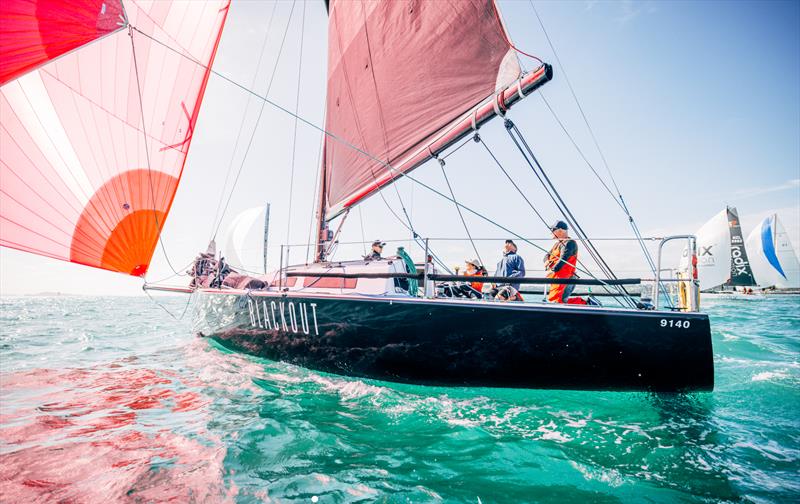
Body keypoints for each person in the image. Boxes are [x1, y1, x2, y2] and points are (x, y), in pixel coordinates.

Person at [544, 220, 588, 304]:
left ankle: (585, 303)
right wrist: (547, 263)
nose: (551, 233)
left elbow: (563, 260)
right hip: (557, 278)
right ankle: (583, 303)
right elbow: (546, 256)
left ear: (560, 231)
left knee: (558, 301)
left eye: (552, 230)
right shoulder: (557, 244)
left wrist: (551, 269)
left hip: (566, 277)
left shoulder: (569, 243)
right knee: (557, 301)